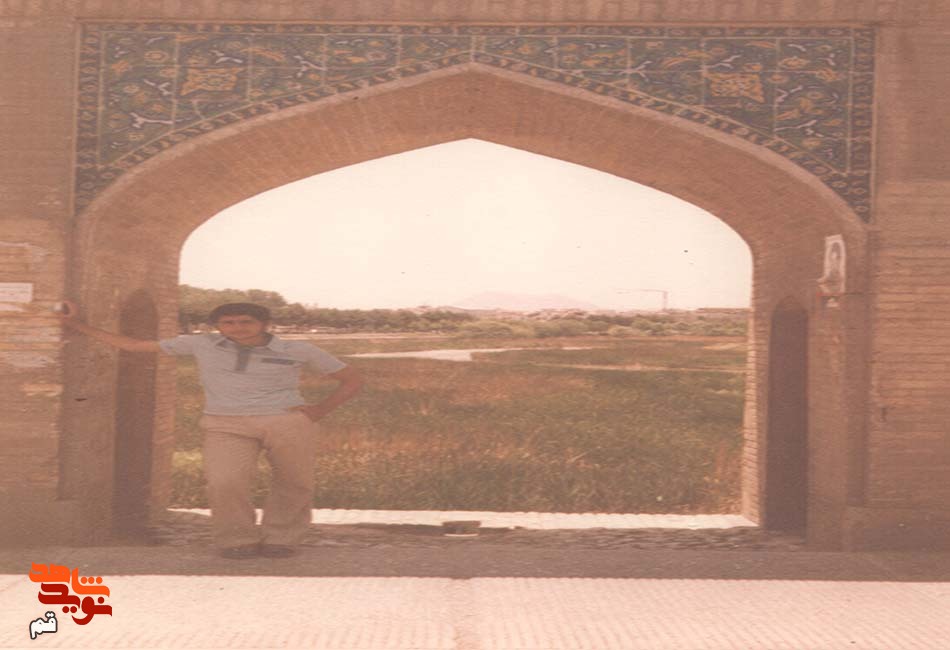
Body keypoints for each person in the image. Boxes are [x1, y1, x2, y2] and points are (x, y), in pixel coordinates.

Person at [60, 300, 363, 559]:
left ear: (265, 324)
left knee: (293, 481)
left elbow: (352, 379)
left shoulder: (297, 349)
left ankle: (281, 539)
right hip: (225, 423)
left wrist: (320, 410)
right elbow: (135, 346)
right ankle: (237, 540)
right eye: (228, 322)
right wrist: (76, 325)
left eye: (246, 321)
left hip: (285, 421)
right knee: (224, 481)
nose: (237, 328)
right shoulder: (201, 344)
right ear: (217, 326)